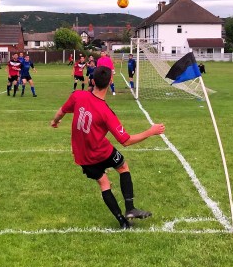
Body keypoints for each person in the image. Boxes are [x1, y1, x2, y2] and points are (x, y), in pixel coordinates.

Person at [51, 66, 166, 229]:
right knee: (123, 167)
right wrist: (151, 131)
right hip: (101, 151)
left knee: (104, 183)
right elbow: (125, 140)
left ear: (92, 81)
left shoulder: (77, 95)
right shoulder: (106, 112)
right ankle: (130, 208)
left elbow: (61, 112)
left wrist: (55, 122)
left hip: (83, 155)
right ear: (110, 82)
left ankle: (123, 222)